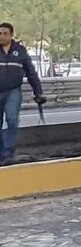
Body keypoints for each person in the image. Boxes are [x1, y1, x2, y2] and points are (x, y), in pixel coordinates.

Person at [0, 23, 46, 165]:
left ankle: (8, 153)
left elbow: (31, 73)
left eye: (5, 33)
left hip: (13, 91)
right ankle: (1, 154)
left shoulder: (20, 51)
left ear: (11, 35)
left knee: (12, 119)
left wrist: (38, 92)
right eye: (0, 33)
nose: (2, 36)